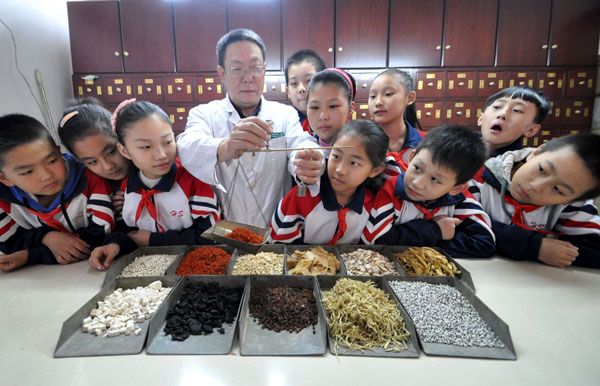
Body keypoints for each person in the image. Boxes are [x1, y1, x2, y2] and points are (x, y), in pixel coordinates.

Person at [177, 28, 323, 227]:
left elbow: (301, 142)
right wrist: (226, 147)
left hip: (275, 234)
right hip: (225, 235)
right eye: (237, 69)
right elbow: (186, 147)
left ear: (264, 69)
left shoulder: (284, 114)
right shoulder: (204, 114)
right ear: (222, 73)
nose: (248, 77)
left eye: (255, 68)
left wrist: (308, 159)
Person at [89, 101, 220, 270]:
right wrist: (115, 245)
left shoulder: (194, 181)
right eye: (146, 147)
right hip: (149, 270)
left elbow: (211, 237)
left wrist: (153, 240)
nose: (161, 155)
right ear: (124, 151)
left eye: (167, 142)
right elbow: (128, 232)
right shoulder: (126, 188)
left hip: (194, 267)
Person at [0, 114, 114, 272]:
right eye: (27, 172)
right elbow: (9, 243)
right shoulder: (3, 200)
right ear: (4, 178)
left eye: (52, 161)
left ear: (59, 152)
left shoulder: (90, 181)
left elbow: (101, 235)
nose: (46, 176)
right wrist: (46, 237)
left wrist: (32, 255)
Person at [469, 133, 600, 268]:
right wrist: (533, 245)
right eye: (542, 170)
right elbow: (462, 226)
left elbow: (595, 247)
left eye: (558, 189)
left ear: (571, 200)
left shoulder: (571, 204)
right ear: (536, 153)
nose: (536, 187)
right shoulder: (474, 178)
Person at [364, 125, 495, 259]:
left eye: (435, 180)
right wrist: (434, 230)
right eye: (417, 168)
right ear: (412, 157)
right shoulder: (392, 188)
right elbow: (374, 240)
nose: (417, 183)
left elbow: (484, 243)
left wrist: (421, 240)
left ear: (456, 188)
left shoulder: (459, 200)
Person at [270, 120, 386, 244]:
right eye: (336, 156)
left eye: (354, 163)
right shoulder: (302, 198)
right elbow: (280, 253)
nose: (340, 170)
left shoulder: (373, 206)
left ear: (375, 170)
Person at [58, 98, 130, 225]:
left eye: (111, 152)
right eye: (92, 162)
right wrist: (107, 208)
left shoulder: (151, 167)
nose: (108, 166)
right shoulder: (85, 190)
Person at [368, 69, 424, 172]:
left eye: (388, 94)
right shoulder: (361, 143)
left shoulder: (428, 143)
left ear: (410, 98)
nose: (378, 102)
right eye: (373, 96)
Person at [477, 86, 551, 157]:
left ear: (531, 130)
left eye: (517, 110)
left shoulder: (519, 166)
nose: (503, 114)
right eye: (497, 107)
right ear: (481, 118)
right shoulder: (465, 143)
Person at [306, 68, 356, 158]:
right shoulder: (303, 148)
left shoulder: (364, 150)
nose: (323, 116)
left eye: (333, 106)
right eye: (315, 107)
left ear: (350, 108)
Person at [284, 49, 326, 134]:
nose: (301, 89)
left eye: (309, 80)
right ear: (288, 91)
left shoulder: (337, 121)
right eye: (294, 83)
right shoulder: (284, 123)